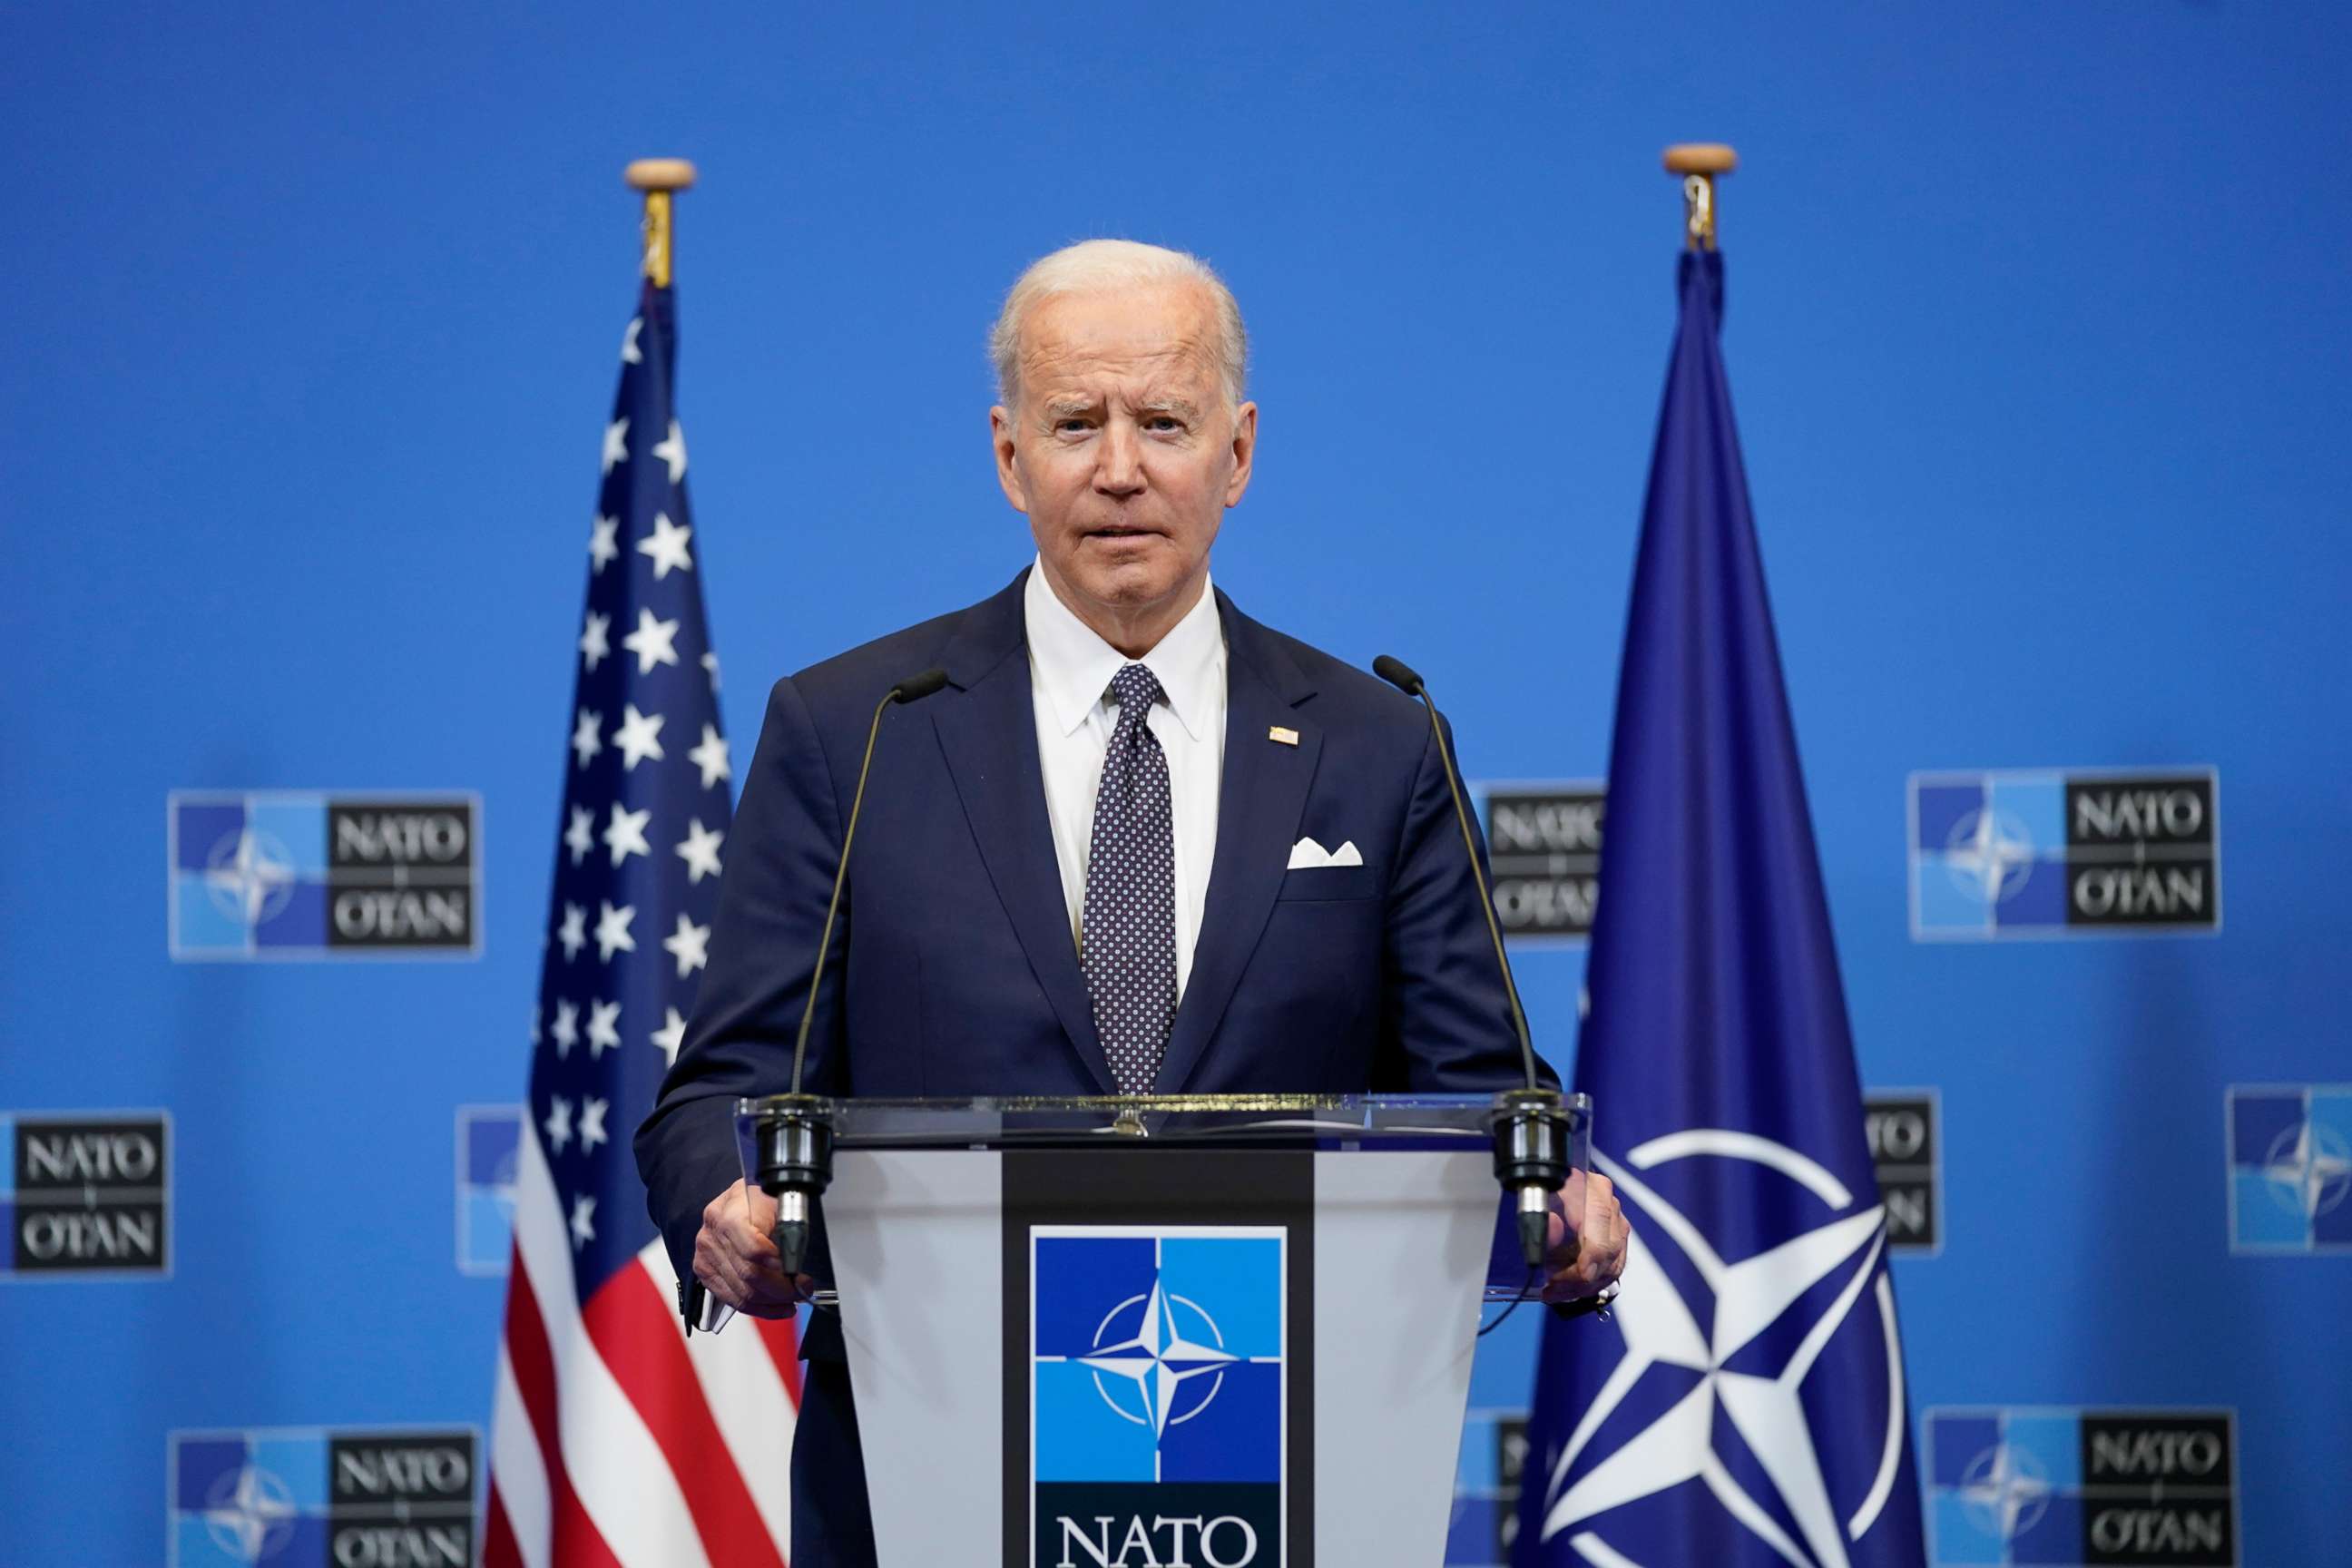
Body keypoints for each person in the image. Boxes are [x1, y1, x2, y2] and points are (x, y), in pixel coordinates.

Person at [633, 239, 1629, 1566]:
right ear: (1007, 454)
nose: (1119, 469)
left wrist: (1556, 1195)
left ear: (1238, 451)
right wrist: (727, 1205)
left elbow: (1485, 1091)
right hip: (927, 1448)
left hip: (1284, 1444)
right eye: (1074, 423)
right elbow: (715, 1095)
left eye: (1164, 422)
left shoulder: (1381, 744)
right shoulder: (855, 729)